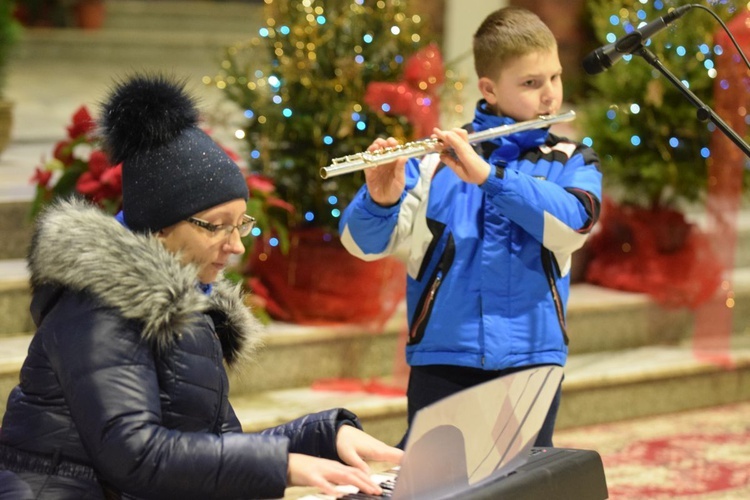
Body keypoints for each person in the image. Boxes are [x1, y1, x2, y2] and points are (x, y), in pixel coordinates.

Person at [0, 74, 402, 499]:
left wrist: (322, 437)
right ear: (158, 230)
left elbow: (210, 449)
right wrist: (282, 464)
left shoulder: (188, 306)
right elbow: (137, 455)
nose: (236, 244)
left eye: (241, 223)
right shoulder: (98, 305)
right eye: (217, 227)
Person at [339, 6, 602, 449]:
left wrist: (490, 178)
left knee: (522, 486)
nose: (549, 97)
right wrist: (380, 200)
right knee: (433, 483)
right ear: (489, 89)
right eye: (531, 83)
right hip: (444, 357)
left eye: (554, 78)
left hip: (531, 357)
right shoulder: (433, 162)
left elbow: (574, 224)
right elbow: (361, 244)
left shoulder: (572, 159)